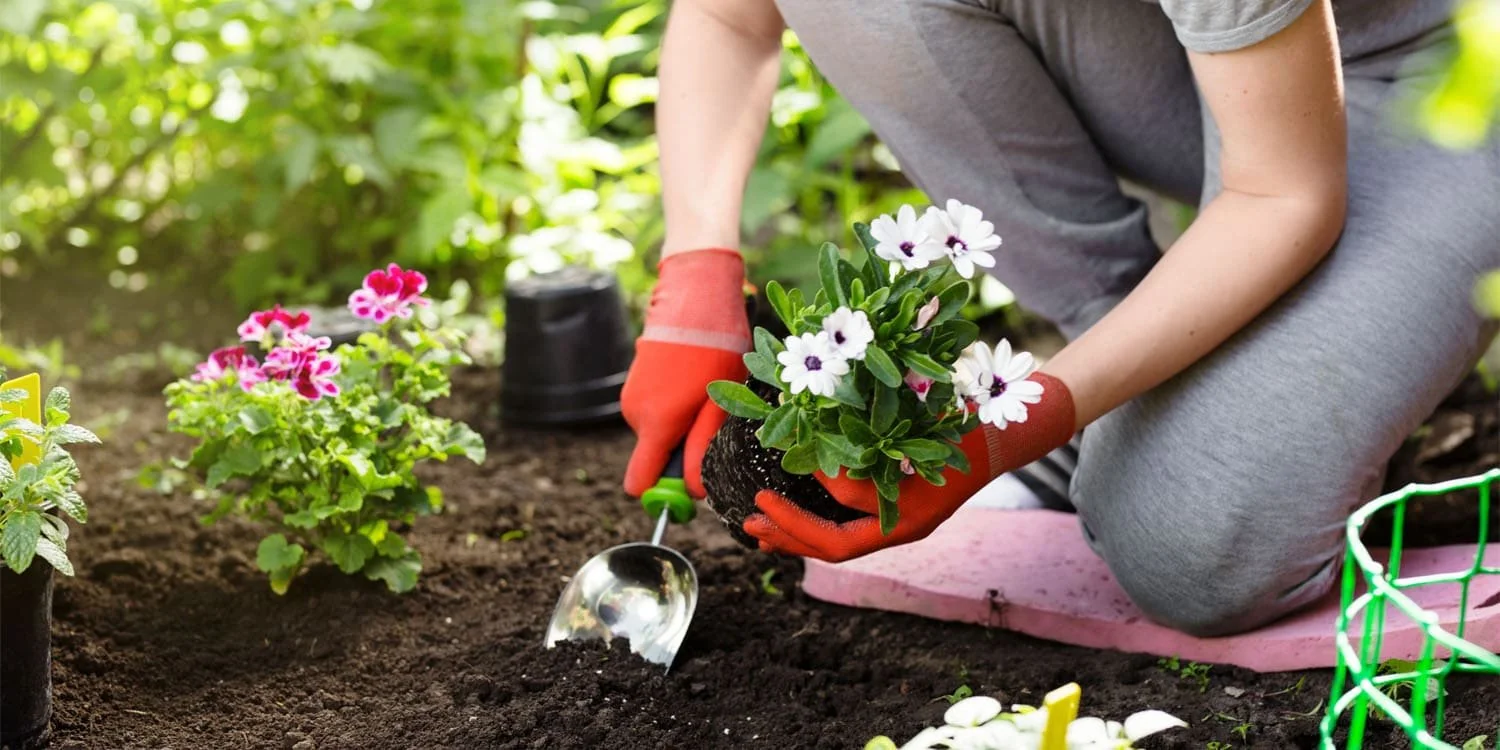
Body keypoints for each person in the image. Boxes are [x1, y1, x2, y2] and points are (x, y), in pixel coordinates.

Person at [618, 0, 1500, 637]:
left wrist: (1010, 429)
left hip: (1440, 74)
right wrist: (695, 275)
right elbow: (729, 16)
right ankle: (1132, 380)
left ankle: (1247, 409)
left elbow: (1283, 192)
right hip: (1212, 65)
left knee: (1190, 550)